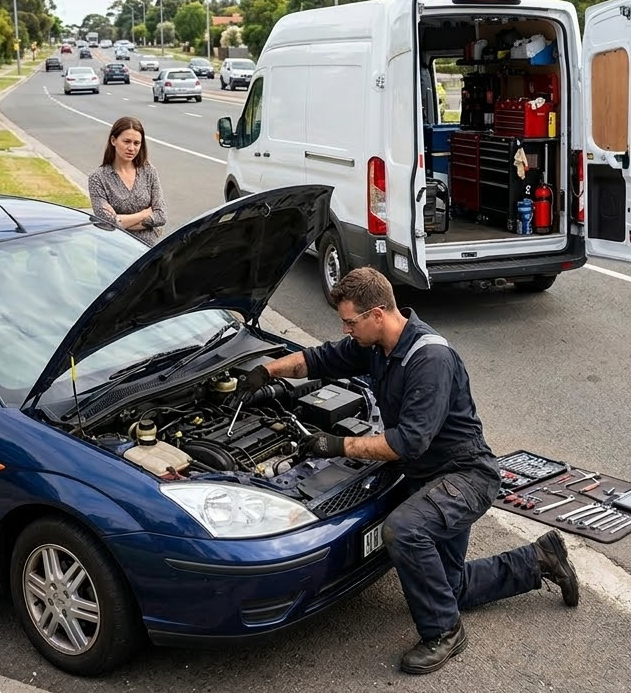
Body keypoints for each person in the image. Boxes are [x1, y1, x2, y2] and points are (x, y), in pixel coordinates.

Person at [237, 267, 579, 675]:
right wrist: (266, 372)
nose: (345, 330)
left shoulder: (429, 358)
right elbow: (319, 359)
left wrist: (336, 445)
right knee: (448, 587)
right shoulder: (373, 345)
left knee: (404, 529)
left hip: (465, 476)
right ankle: (539, 559)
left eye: (350, 322)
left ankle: (445, 632)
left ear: (377, 314)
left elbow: (407, 442)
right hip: (428, 474)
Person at [88, 116, 167, 246]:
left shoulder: (149, 172)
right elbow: (106, 221)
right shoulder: (97, 178)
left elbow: (161, 216)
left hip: (146, 249)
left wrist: (120, 220)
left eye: (136, 143)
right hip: (114, 249)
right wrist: (144, 214)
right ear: (113, 140)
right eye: (126, 141)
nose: (131, 148)